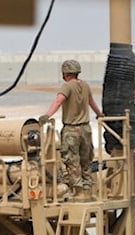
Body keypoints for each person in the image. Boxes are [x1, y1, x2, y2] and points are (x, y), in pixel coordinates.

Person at [40, 59, 103, 201]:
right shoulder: (85, 85)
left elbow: (58, 101)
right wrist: (100, 115)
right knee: (86, 160)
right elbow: (91, 102)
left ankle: (79, 191)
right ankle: (88, 191)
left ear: (65, 73)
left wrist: (47, 115)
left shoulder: (67, 86)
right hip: (86, 129)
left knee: (72, 161)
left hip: (71, 130)